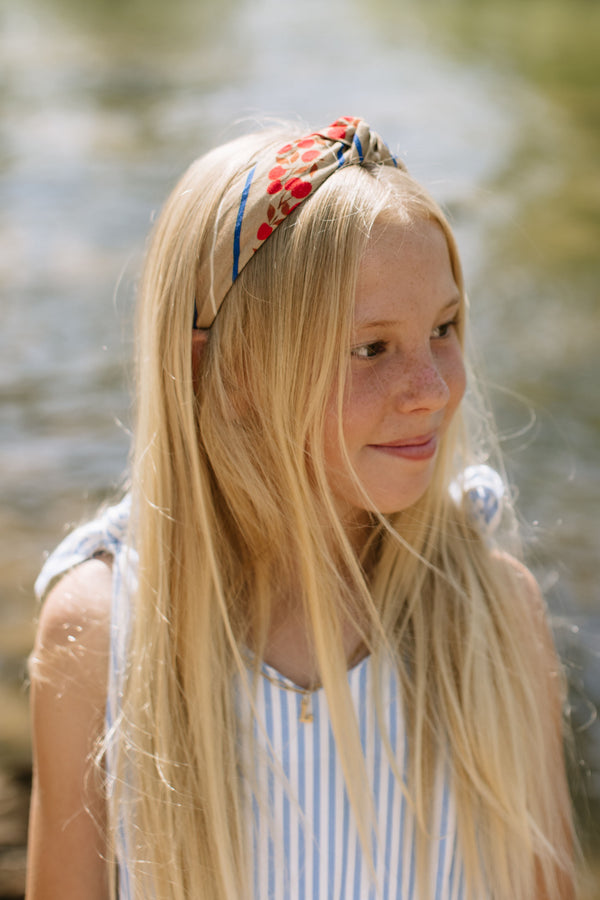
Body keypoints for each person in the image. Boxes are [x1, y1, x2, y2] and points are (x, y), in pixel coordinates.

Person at [26, 116, 575, 900]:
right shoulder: (103, 634)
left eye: (443, 329)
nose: (432, 390)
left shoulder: (493, 615)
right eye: (371, 348)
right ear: (226, 373)